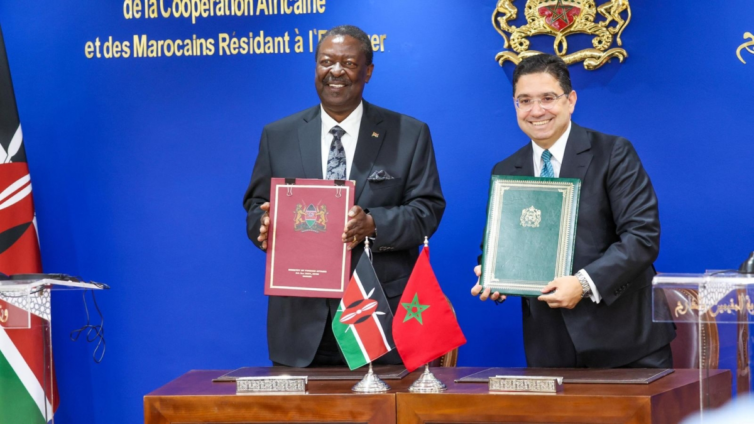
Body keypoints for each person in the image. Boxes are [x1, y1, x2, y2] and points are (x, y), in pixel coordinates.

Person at [243, 25, 445, 367]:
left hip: (377, 314)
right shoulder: (278, 135)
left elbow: (427, 210)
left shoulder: (409, 134)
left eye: (349, 63)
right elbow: (255, 204)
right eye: (326, 62)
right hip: (299, 322)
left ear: (368, 71)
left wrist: (373, 224)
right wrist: (262, 224)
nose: (335, 72)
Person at [471, 54, 675, 368]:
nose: (536, 110)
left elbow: (641, 238)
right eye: (525, 101)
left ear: (571, 100)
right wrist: (493, 272)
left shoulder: (613, 153)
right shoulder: (507, 169)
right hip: (549, 348)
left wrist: (583, 283)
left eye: (547, 98)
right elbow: (499, 242)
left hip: (627, 345)